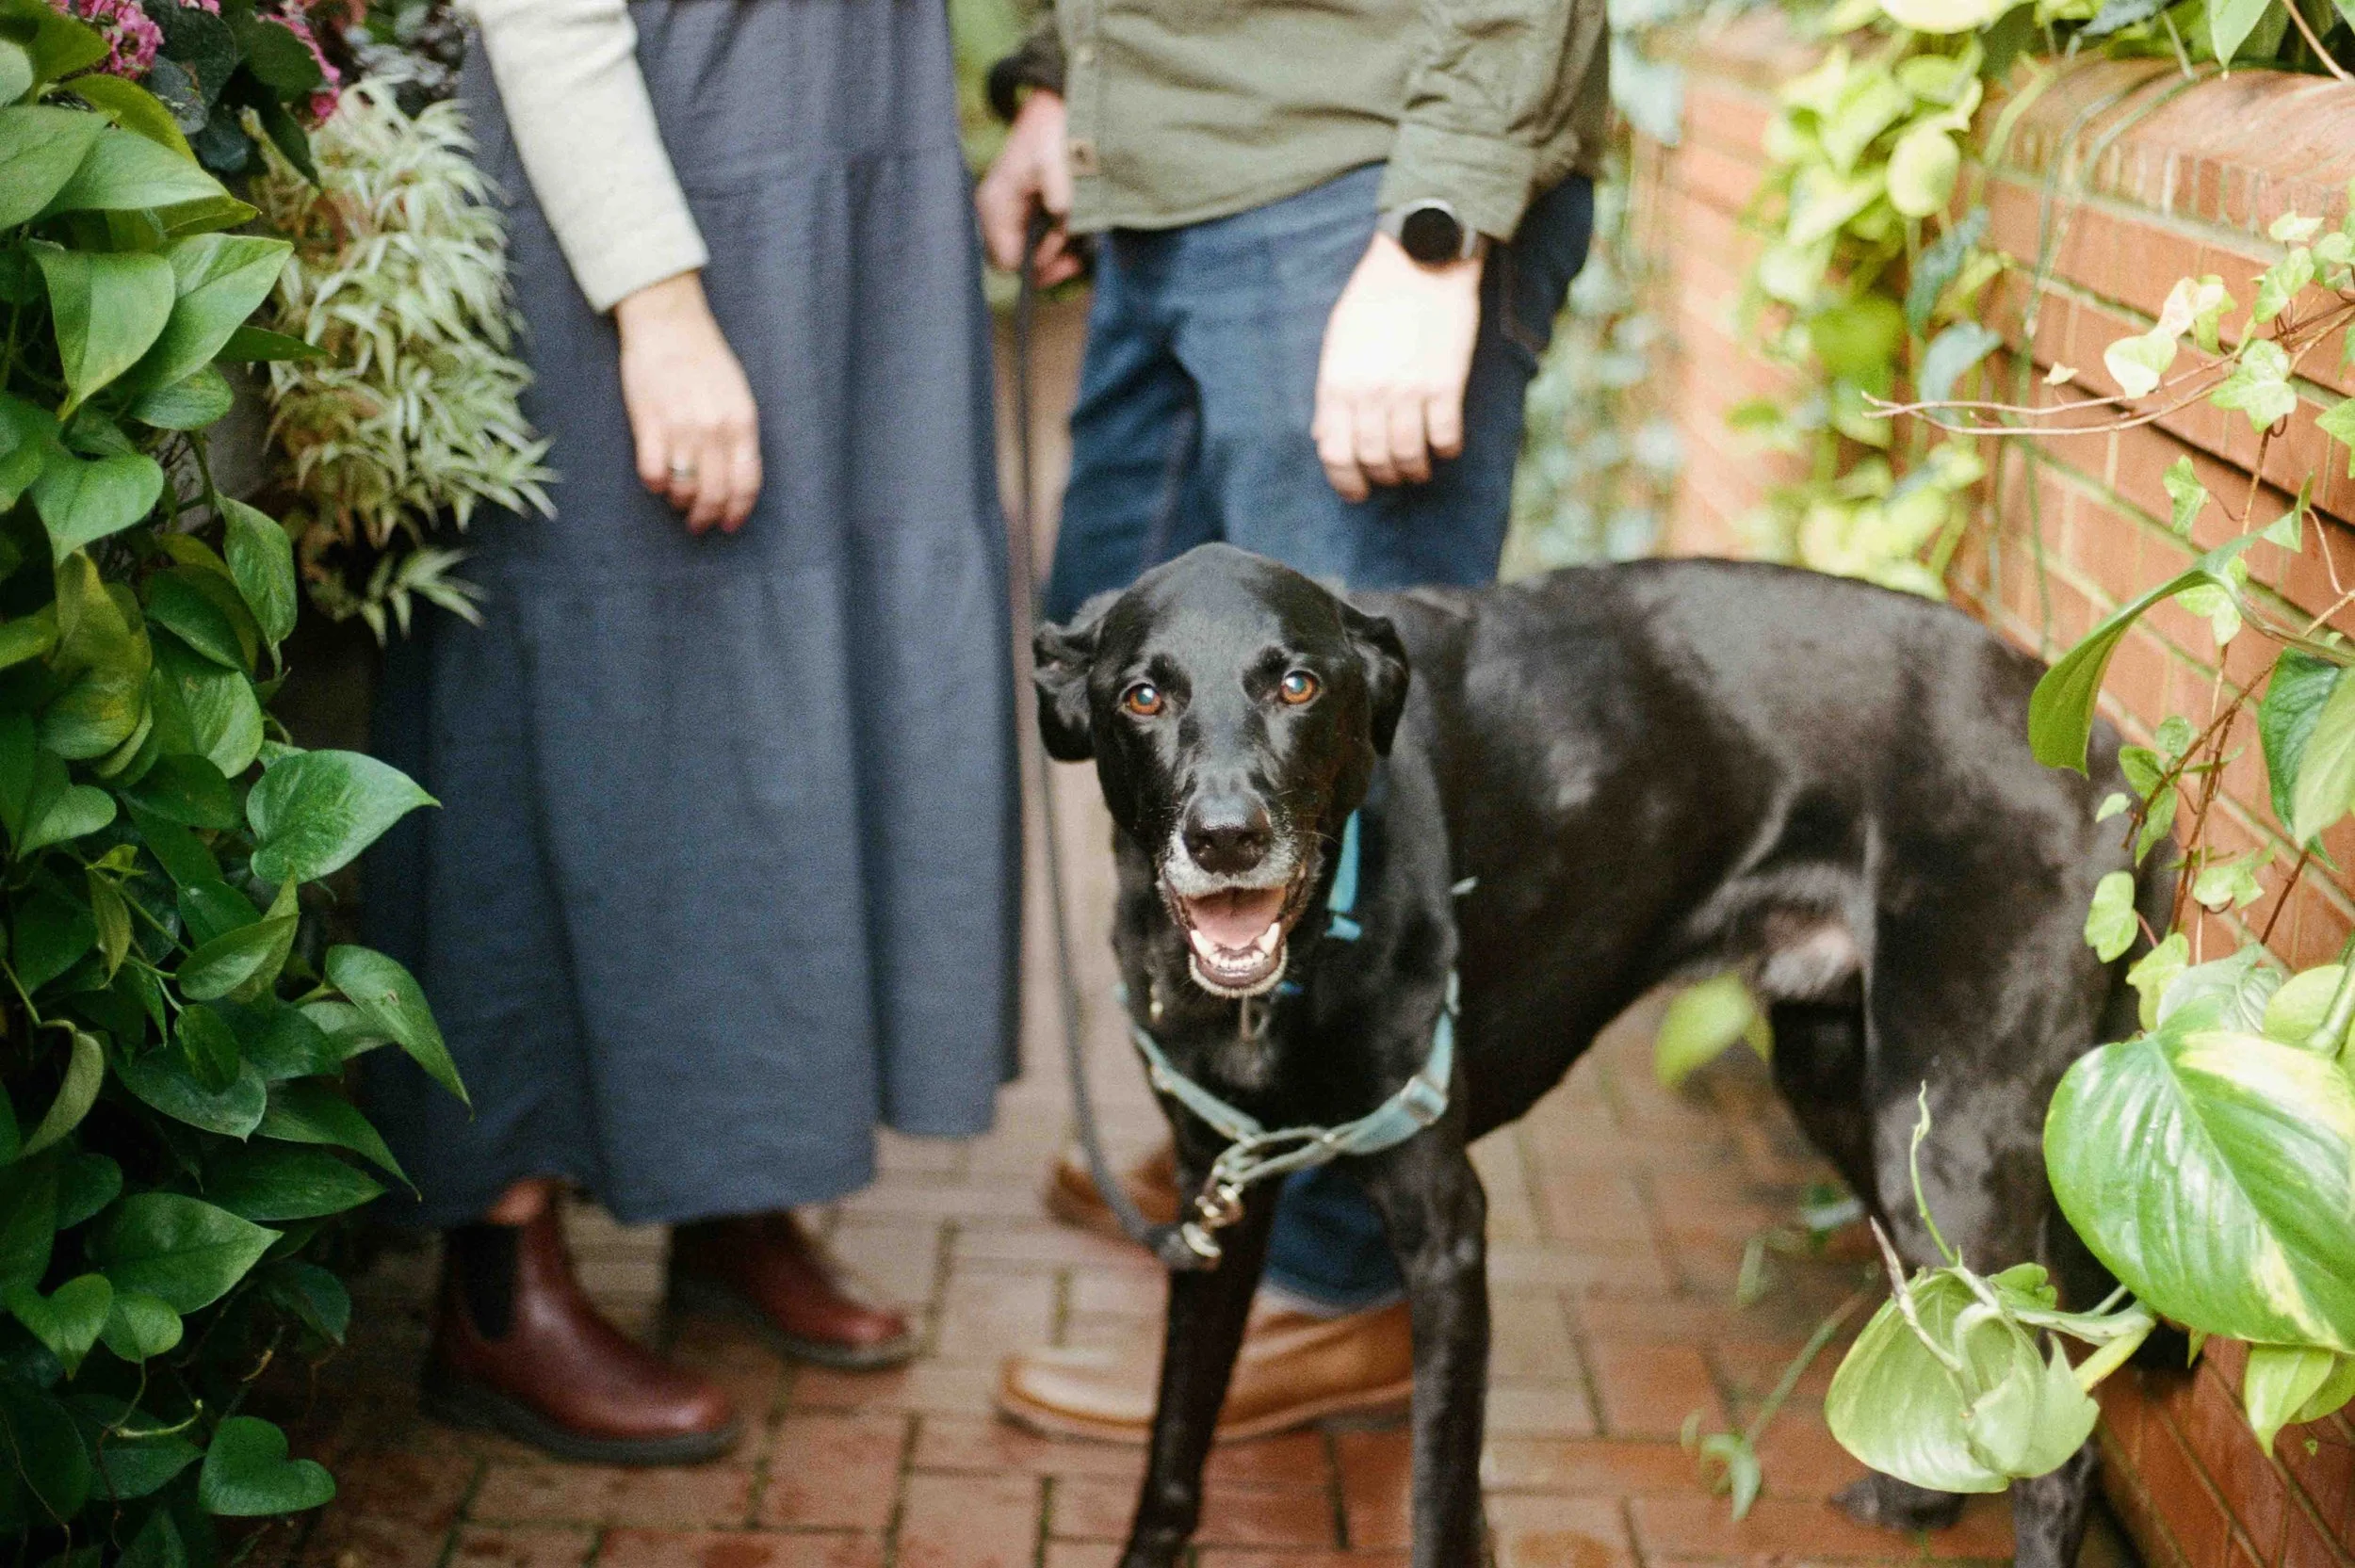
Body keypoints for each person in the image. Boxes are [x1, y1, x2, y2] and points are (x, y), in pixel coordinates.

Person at [363, 0, 1021, 1463]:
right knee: (573, 708)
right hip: (640, 205)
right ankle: (496, 1278)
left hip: (851, 200)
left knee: (776, 713)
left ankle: (738, 1184)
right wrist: (654, 305)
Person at [973, 0, 1604, 1440]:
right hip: (1162, 186)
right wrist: (1063, 85)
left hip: (1349, 180)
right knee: (1143, 697)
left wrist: (1435, 219)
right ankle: (1242, 1145)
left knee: (1332, 782)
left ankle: (1335, 1292)